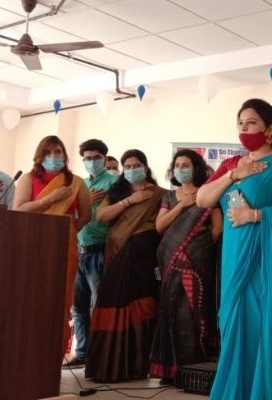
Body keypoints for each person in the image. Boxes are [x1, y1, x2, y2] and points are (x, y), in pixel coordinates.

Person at [195, 98, 272, 399]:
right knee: (233, 326)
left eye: (251, 123)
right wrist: (234, 175)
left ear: (270, 128)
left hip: (266, 264)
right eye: (240, 123)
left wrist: (255, 215)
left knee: (261, 329)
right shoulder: (233, 165)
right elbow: (203, 199)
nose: (244, 129)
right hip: (235, 259)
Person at [85, 149, 164, 382]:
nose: (132, 170)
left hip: (144, 257)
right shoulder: (118, 191)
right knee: (111, 302)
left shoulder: (159, 194)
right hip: (118, 255)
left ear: (146, 167)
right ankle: (108, 366)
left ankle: (137, 365)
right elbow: (102, 216)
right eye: (127, 166)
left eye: (136, 165)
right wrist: (130, 200)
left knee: (143, 306)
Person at [13, 135, 92, 358]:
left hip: (63, 246)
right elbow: (18, 210)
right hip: (31, 243)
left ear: (65, 155)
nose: (54, 156)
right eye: (48, 152)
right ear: (40, 156)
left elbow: (85, 216)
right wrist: (50, 199)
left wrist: (66, 231)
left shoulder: (76, 182)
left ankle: (53, 354)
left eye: (58, 152)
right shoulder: (28, 179)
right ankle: (25, 350)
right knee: (31, 295)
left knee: (60, 298)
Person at [150, 149, 222, 383]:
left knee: (192, 313)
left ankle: (193, 369)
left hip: (197, 264)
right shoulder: (169, 197)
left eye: (185, 165)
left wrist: (197, 249)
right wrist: (181, 205)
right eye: (177, 166)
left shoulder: (207, 194)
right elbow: (159, 226)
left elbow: (217, 228)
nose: (181, 170)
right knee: (170, 311)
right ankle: (170, 370)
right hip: (171, 262)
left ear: (196, 168)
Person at [63, 139, 117, 368]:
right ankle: (82, 352)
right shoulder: (80, 184)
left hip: (100, 250)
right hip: (78, 250)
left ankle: (100, 355)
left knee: (99, 306)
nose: (92, 162)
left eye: (96, 158)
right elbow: (72, 214)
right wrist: (86, 202)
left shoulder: (114, 182)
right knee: (78, 307)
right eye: (87, 158)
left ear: (104, 158)